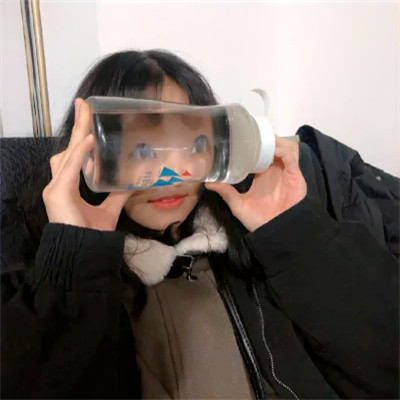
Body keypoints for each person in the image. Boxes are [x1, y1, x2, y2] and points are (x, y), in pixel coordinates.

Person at [1, 50, 398, 400]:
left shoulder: (252, 244)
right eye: (141, 148)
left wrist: (296, 233)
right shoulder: (38, 272)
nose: (172, 171)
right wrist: (76, 259)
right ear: (88, 153)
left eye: (195, 144)